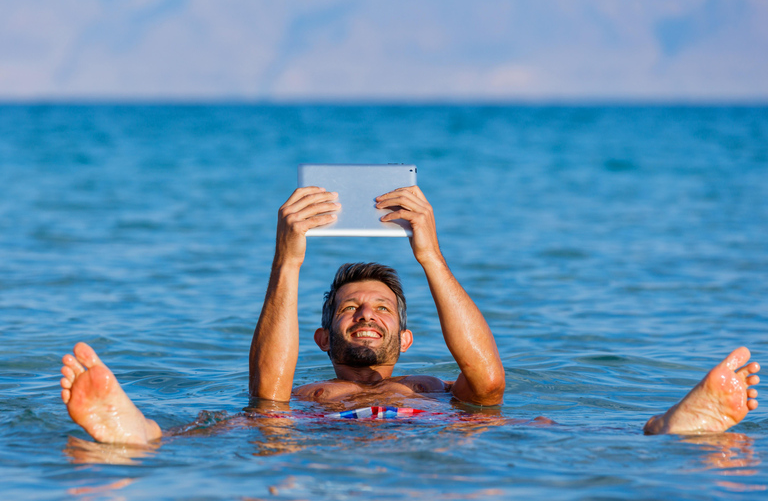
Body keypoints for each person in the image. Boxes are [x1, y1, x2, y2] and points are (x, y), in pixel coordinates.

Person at [59, 186, 761, 445]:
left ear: (407, 334)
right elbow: (267, 394)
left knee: (526, 420)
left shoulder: (434, 387)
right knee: (252, 423)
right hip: (319, 436)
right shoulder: (305, 393)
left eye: (381, 309)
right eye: (350, 309)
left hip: (434, 433)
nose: (366, 315)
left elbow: (488, 382)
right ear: (322, 336)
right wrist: (288, 256)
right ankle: (136, 433)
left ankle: (672, 427)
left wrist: (428, 251)